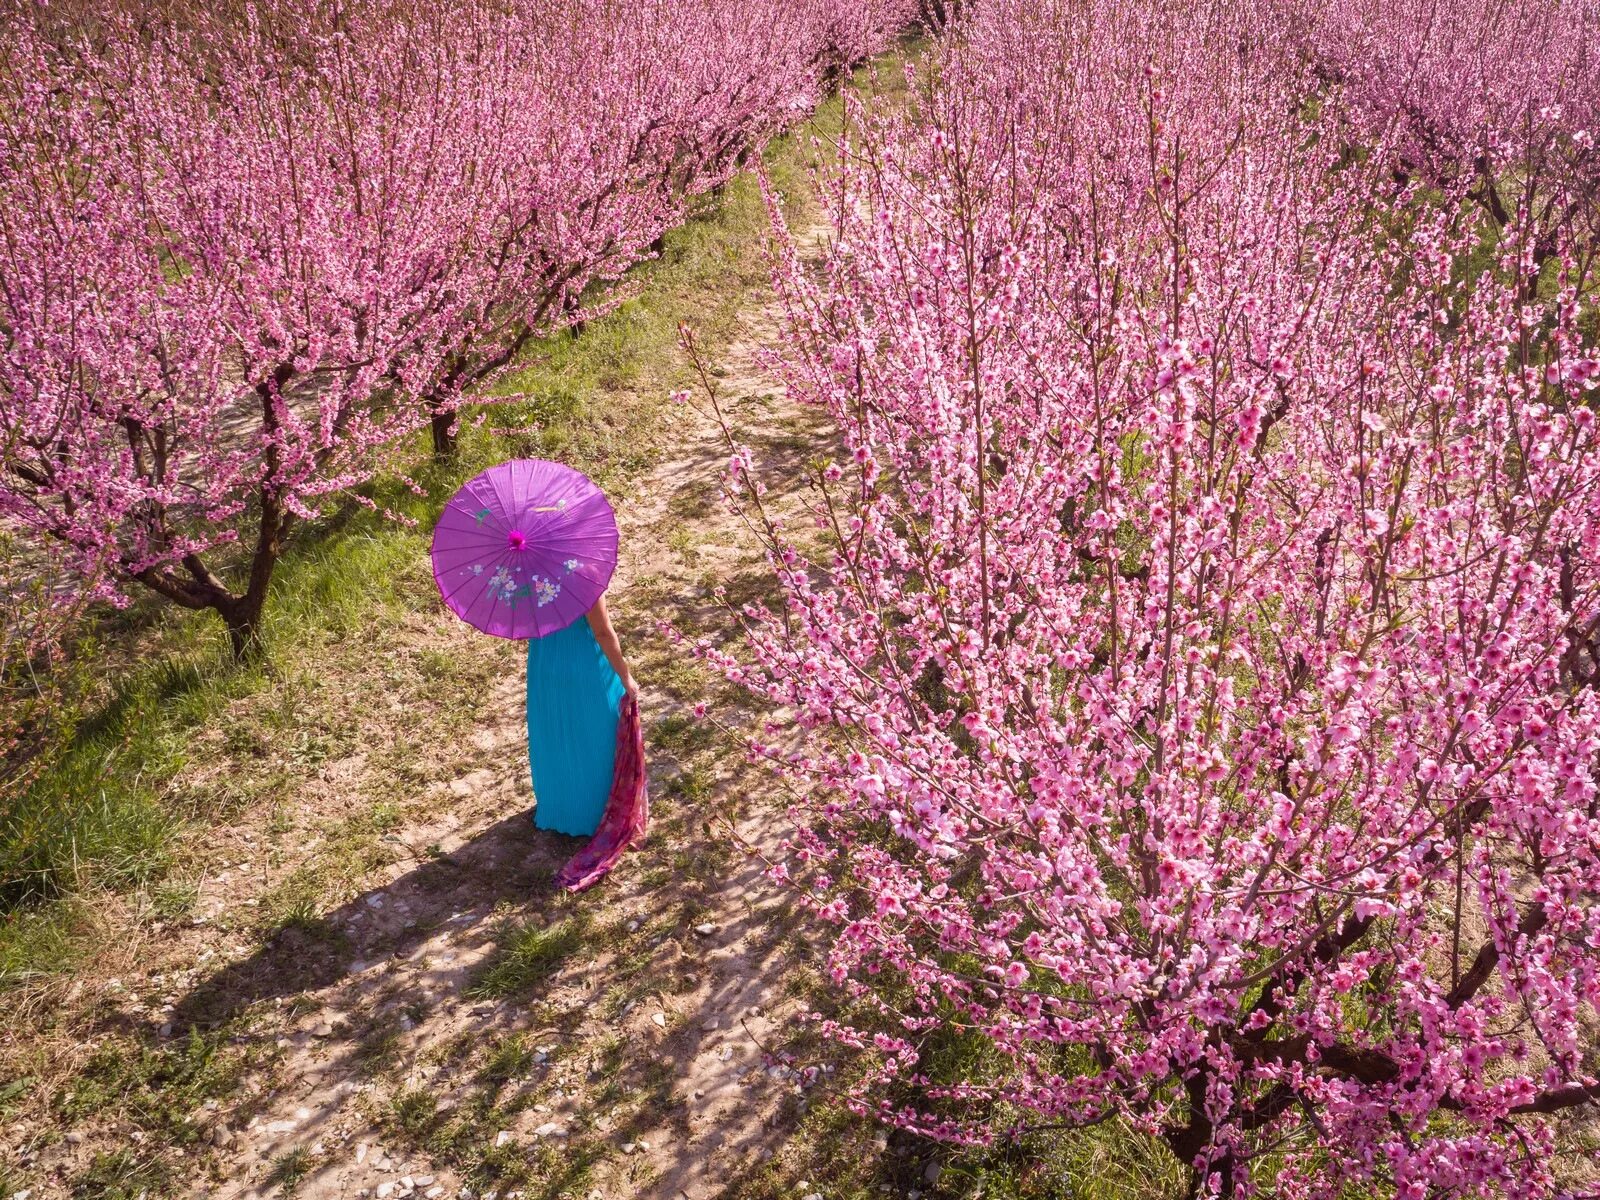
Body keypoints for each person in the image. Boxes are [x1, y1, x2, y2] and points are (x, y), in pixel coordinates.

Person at [526, 595, 638, 837]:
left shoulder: (529, 574)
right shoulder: (584, 578)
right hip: (583, 666)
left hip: (544, 664)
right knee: (598, 735)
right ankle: (595, 815)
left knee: (554, 734)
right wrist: (625, 676)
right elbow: (603, 633)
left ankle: (559, 808)